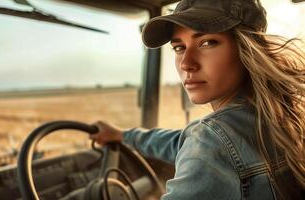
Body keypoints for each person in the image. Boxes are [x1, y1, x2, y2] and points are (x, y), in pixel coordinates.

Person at [89, 0, 305, 199]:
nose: (186, 63)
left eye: (207, 42)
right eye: (179, 48)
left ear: (246, 48)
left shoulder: (212, 138)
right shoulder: (281, 118)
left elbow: (208, 142)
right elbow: (183, 142)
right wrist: (123, 135)